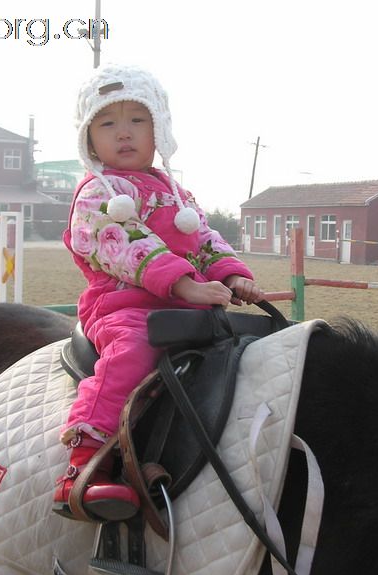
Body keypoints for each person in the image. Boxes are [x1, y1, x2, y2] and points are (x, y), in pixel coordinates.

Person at [54, 64, 264, 521]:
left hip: (185, 303)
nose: (123, 133)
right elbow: (122, 241)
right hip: (123, 306)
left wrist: (231, 276)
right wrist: (185, 282)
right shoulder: (97, 192)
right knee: (130, 352)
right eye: (108, 123)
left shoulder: (176, 193)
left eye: (137, 120)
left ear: (159, 131)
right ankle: (84, 464)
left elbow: (206, 240)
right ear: (89, 139)